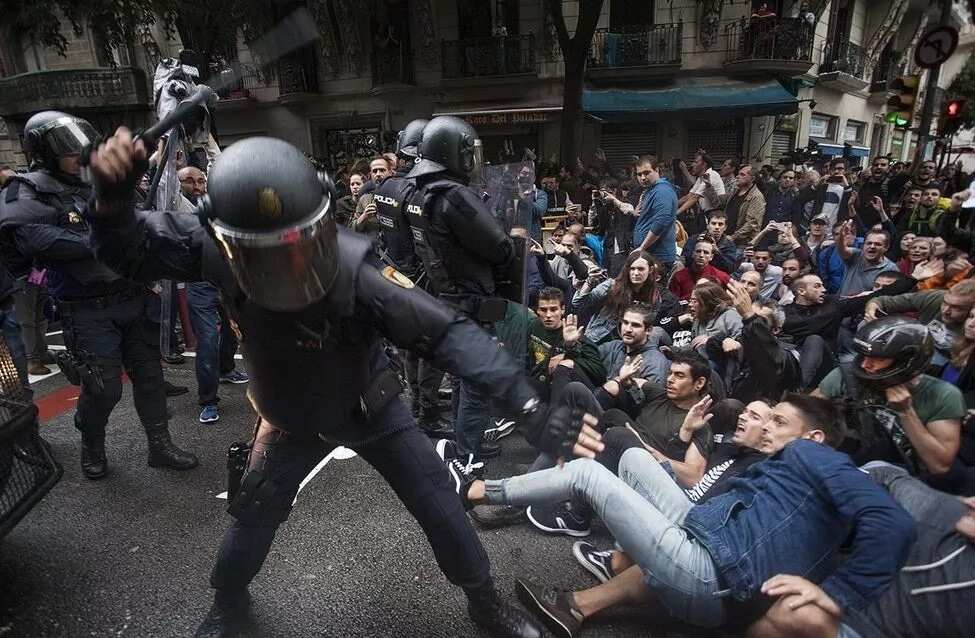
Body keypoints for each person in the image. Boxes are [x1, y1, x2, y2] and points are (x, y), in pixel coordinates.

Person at [85, 127, 600, 637]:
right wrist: (110, 200)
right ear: (226, 240)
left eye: (295, 246)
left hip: (369, 406)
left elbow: (448, 334)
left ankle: (485, 602)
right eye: (264, 254)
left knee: (440, 504)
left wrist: (530, 407)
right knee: (255, 513)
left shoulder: (357, 272)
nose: (284, 266)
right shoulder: (210, 246)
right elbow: (126, 250)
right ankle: (229, 601)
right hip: (290, 414)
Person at [450, 392, 915, 636]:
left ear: (813, 439)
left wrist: (836, 595)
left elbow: (893, 523)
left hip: (711, 576)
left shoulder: (820, 460)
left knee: (588, 474)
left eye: (778, 422)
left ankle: (471, 491)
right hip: (707, 544)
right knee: (630, 459)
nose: (766, 426)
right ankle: (581, 593)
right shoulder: (794, 475)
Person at [0, 110, 198, 479]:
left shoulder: (101, 179)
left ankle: (160, 444)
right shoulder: (28, 188)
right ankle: (92, 443)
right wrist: (105, 239)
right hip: (86, 306)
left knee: (150, 376)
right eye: (66, 150)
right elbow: (33, 238)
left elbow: (141, 219)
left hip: (133, 295)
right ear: (44, 152)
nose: (78, 156)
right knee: (102, 388)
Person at [748, 463, 975, 638]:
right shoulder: (946, 511)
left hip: (874, 631)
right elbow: (885, 475)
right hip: (850, 594)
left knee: (798, 611)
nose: (972, 502)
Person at [814, 317, 964, 482]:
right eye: (863, 355)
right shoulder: (845, 376)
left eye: (878, 358)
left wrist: (906, 412)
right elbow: (805, 416)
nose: (865, 364)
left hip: (899, 479)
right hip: (839, 464)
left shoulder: (943, 395)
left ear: (906, 360)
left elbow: (939, 466)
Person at [572, 250, 679, 345]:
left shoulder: (654, 297)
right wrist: (589, 282)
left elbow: (647, 326)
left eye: (640, 269)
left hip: (630, 344)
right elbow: (578, 303)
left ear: (650, 270)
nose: (636, 273)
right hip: (598, 339)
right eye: (632, 269)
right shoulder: (612, 286)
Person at [865, 280, 975, 369]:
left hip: (946, 361)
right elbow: (883, 301)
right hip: (917, 346)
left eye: (957, 308)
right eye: (945, 303)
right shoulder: (935, 298)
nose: (946, 311)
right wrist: (871, 309)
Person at [631, 156, 678, 271]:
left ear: (657, 170)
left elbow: (661, 222)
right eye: (639, 174)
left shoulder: (662, 191)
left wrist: (642, 247)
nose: (642, 177)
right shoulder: (652, 190)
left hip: (658, 256)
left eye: (647, 173)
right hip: (651, 254)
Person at [835, 221, 898, 296]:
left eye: (877, 244)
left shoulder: (891, 269)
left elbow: (891, 295)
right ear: (863, 245)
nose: (872, 246)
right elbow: (842, 249)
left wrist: (869, 294)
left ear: (886, 247)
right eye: (869, 243)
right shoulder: (856, 255)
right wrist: (841, 236)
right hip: (841, 302)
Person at [682, 209, 741, 274]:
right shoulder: (694, 239)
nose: (717, 227)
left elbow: (730, 268)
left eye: (720, 224)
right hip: (692, 273)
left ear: (725, 227)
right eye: (713, 223)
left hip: (716, 277)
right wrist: (697, 246)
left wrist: (717, 252)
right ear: (708, 225)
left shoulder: (728, 244)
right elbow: (685, 260)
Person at [727, 165, 767, 246]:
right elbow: (719, 203)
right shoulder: (735, 192)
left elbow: (752, 223)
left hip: (742, 243)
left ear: (752, 178)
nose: (737, 177)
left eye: (742, 174)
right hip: (728, 238)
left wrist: (733, 237)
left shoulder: (756, 196)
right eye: (738, 174)